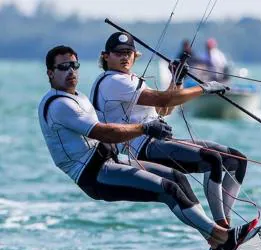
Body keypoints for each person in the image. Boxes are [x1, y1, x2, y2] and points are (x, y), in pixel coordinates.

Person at [39, 45, 257, 250]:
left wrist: (176, 81)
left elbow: (162, 107)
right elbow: (104, 133)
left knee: (176, 177)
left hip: (112, 160)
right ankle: (222, 236)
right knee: (169, 189)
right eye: (63, 67)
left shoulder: (79, 97)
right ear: (50, 73)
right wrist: (144, 128)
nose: (70, 71)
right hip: (93, 173)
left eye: (74, 65)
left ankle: (218, 239)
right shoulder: (59, 105)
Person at [91, 32, 248, 230]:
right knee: (213, 160)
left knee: (237, 160)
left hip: (159, 143)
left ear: (135, 55)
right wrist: (204, 88)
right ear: (106, 56)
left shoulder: (129, 79)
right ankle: (222, 229)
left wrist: (177, 79)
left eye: (129, 52)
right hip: (142, 148)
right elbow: (164, 100)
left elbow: (164, 110)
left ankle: (226, 225)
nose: (125, 57)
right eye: (119, 53)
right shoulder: (112, 81)